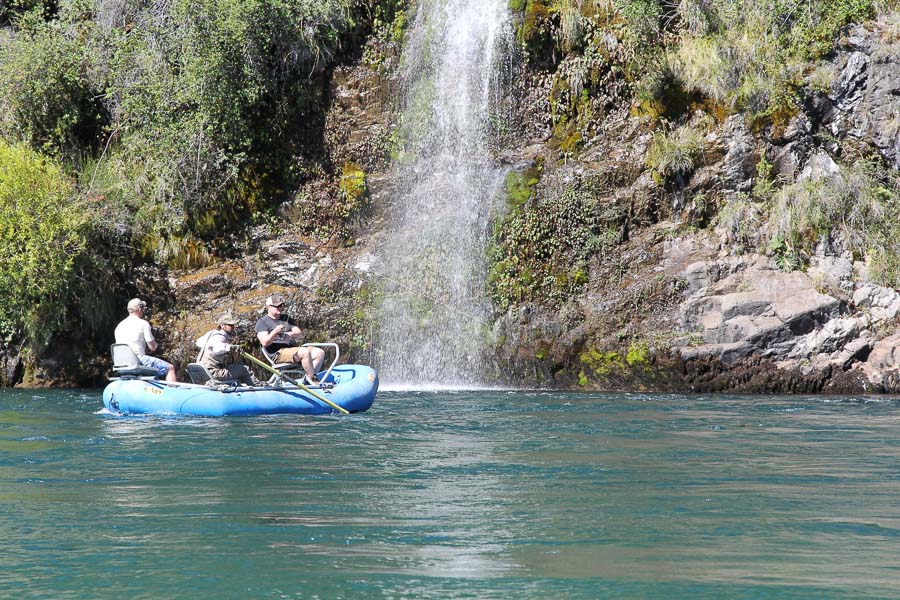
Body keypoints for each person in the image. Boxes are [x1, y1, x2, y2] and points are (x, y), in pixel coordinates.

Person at [255, 293, 325, 384]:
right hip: (278, 354)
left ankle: (309, 378)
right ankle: (313, 380)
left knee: (319, 352)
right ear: (268, 307)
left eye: (281, 305)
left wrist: (290, 334)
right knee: (304, 352)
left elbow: (300, 334)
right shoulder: (262, 322)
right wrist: (275, 332)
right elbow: (264, 342)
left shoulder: (286, 318)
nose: (280, 308)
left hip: (293, 349)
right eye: (277, 306)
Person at [114, 298, 177, 382]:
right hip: (138, 360)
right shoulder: (143, 323)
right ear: (139, 309)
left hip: (121, 363)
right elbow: (152, 347)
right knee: (170, 368)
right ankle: (172, 392)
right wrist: (157, 344)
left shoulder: (119, 326)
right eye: (142, 308)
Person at [195, 313, 260, 387]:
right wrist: (231, 347)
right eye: (230, 325)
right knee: (244, 370)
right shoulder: (219, 337)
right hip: (212, 372)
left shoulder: (211, 334)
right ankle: (257, 388)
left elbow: (198, 342)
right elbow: (218, 349)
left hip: (201, 372)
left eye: (233, 325)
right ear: (222, 326)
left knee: (232, 367)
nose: (233, 327)